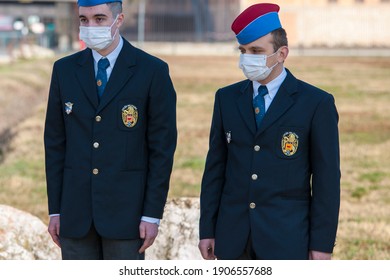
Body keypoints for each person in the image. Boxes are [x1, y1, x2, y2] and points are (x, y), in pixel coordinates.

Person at [198, 3, 340, 260]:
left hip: (285, 239)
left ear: (282, 53)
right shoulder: (226, 99)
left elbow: (326, 181)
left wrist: (322, 244)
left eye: (256, 51)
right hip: (233, 238)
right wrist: (207, 229)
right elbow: (215, 170)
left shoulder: (316, 103)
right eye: (242, 51)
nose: (247, 58)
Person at [44, 0, 177, 260]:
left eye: (99, 19)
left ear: (119, 20)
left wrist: (152, 214)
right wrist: (55, 210)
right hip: (75, 214)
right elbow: (55, 145)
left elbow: (161, 149)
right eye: (84, 20)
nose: (90, 26)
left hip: (127, 216)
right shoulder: (64, 70)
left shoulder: (152, 71)